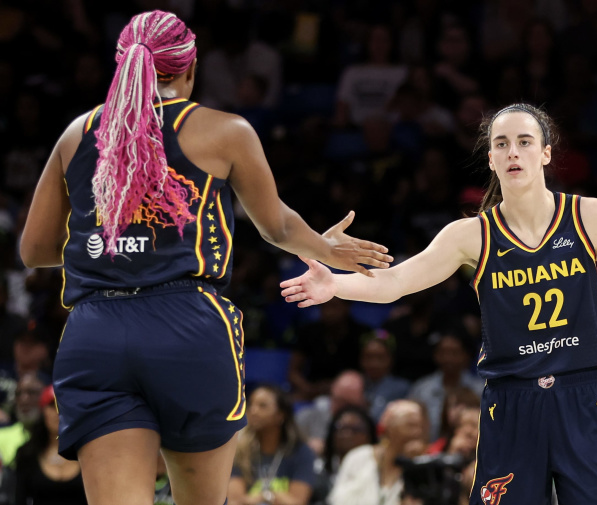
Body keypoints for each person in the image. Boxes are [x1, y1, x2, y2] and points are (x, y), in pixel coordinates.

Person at [18, 11, 391, 505]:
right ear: (190, 69)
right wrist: (325, 248)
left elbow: (34, 250)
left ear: (121, 67)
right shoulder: (224, 130)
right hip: (186, 327)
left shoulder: (76, 134)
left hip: (96, 330)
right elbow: (275, 225)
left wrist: (113, 245)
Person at [281, 102, 597, 504]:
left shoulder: (589, 215)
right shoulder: (470, 234)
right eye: (501, 143)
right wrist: (335, 284)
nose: (513, 151)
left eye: (525, 141)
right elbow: (397, 282)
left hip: (585, 396)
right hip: (512, 402)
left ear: (546, 153)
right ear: (492, 159)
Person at [228, 385, 316, 505]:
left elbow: (297, 502)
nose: (253, 411)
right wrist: (276, 497)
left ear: (280, 415)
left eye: (262, 406)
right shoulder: (240, 451)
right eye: (251, 405)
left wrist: (265, 496)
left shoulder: (301, 452)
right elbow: (235, 502)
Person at [327, 400, 427, 505]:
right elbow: (336, 500)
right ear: (390, 427)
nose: (417, 432)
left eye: (420, 426)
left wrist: (413, 467)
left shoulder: (421, 465)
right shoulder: (358, 457)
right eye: (411, 425)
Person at [14, 386, 88, 505]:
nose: (58, 412)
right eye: (53, 405)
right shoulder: (27, 454)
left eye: (64, 406)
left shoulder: (89, 452)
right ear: (43, 412)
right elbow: (19, 499)